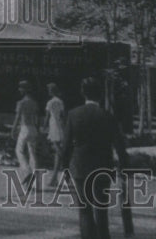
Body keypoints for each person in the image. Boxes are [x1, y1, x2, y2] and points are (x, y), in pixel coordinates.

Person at [61, 76, 128, 239]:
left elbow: (66, 146)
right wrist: (123, 169)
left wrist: (65, 170)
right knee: (101, 211)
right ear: (100, 94)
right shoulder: (107, 115)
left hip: (80, 168)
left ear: (83, 93)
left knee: (84, 211)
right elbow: (119, 146)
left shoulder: (73, 114)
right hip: (103, 169)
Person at [12, 80, 40, 188]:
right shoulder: (34, 103)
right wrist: (38, 131)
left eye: (20, 88)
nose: (19, 90)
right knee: (32, 153)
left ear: (24, 89)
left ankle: (27, 170)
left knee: (19, 150)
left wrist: (13, 129)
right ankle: (34, 177)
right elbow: (37, 119)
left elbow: (18, 117)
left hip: (25, 128)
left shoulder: (21, 102)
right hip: (33, 128)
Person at [43, 82, 65, 187]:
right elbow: (62, 116)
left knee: (59, 152)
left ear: (52, 91)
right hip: (60, 127)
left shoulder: (50, 102)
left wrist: (44, 127)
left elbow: (47, 117)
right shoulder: (60, 102)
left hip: (53, 127)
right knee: (57, 152)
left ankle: (67, 163)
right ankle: (55, 178)